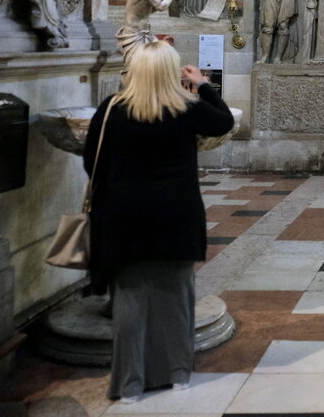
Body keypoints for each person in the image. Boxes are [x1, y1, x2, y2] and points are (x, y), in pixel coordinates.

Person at [84, 40, 234, 403]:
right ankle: (178, 374)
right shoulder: (186, 108)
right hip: (176, 217)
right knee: (176, 299)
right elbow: (224, 122)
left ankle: (130, 385)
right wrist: (202, 84)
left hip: (124, 218)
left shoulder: (111, 109)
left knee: (129, 304)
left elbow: (92, 163)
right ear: (171, 71)